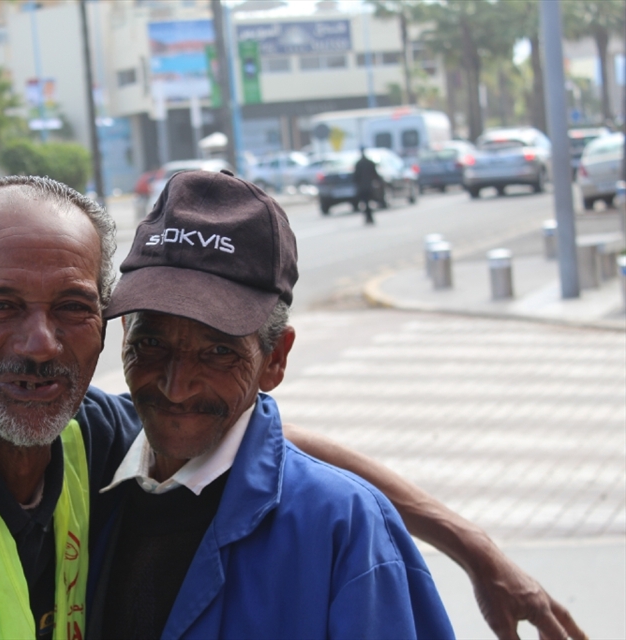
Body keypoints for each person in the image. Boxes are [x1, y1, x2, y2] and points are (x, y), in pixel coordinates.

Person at [0, 112, 584, 640]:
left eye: (72, 307)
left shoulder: (93, 439)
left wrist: (472, 547)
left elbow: (262, 448)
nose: (39, 342)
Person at [86, 169, 451, 638]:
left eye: (218, 352)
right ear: (124, 335)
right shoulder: (82, 475)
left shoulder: (342, 530)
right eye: (152, 343)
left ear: (275, 359)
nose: (176, 387)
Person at [354, 146, 381, 225]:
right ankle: (369, 217)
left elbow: (355, 177)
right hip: (369, 186)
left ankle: (368, 218)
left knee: (365, 203)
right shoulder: (369, 162)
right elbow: (375, 174)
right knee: (368, 203)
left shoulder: (359, 164)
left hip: (362, 187)